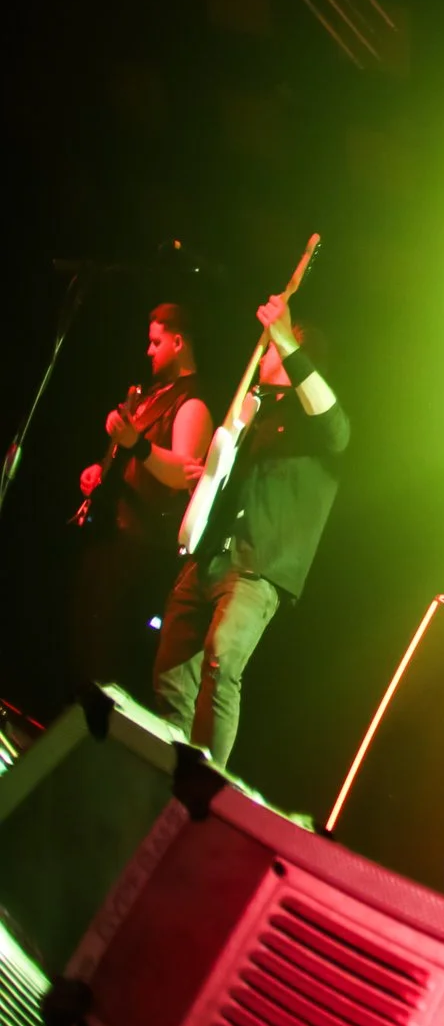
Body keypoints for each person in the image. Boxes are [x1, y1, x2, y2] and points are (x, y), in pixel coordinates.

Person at [153, 293, 347, 765]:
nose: (265, 352)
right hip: (209, 556)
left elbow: (334, 424)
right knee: (171, 675)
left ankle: (206, 787)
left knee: (221, 662)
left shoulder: (315, 423)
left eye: (275, 348)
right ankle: (167, 774)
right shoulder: (251, 415)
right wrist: (211, 479)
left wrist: (285, 335)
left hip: (257, 568)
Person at [70, 304, 211, 694]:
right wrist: (102, 473)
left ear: (178, 342)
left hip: (139, 552)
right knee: (81, 645)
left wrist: (136, 443)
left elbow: (182, 476)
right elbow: (131, 458)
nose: (148, 351)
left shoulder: (192, 403)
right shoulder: (150, 394)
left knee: (104, 658)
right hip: (109, 541)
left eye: (156, 342)